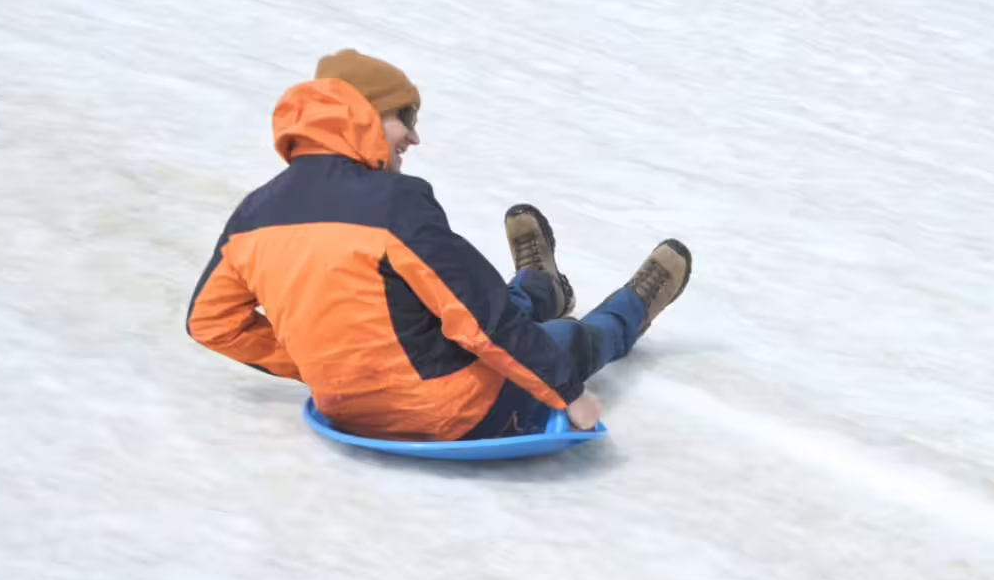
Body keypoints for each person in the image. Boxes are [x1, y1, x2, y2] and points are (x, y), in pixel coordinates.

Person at [186, 49, 691, 441]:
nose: (413, 136)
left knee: (456, 309)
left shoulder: (251, 215)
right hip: (457, 414)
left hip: (345, 408)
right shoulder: (395, 204)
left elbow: (210, 322)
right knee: (563, 339)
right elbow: (481, 321)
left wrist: (328, 364)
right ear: (361, 114)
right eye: (404, 116)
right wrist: (570, 392)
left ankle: (540, 284)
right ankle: (634, 303)